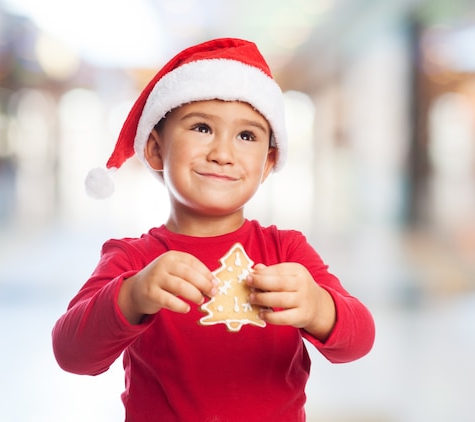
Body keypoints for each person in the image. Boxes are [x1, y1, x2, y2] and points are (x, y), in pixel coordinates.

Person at [52, 38, 375, 422]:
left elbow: (359, 340)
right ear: (155, 150)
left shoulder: (286, 251)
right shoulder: (133, 261)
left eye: (247, 136)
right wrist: (132, 296)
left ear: (269, 161)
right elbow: (71, 353)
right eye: (202, 128)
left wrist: (320, 307)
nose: (223, 153)